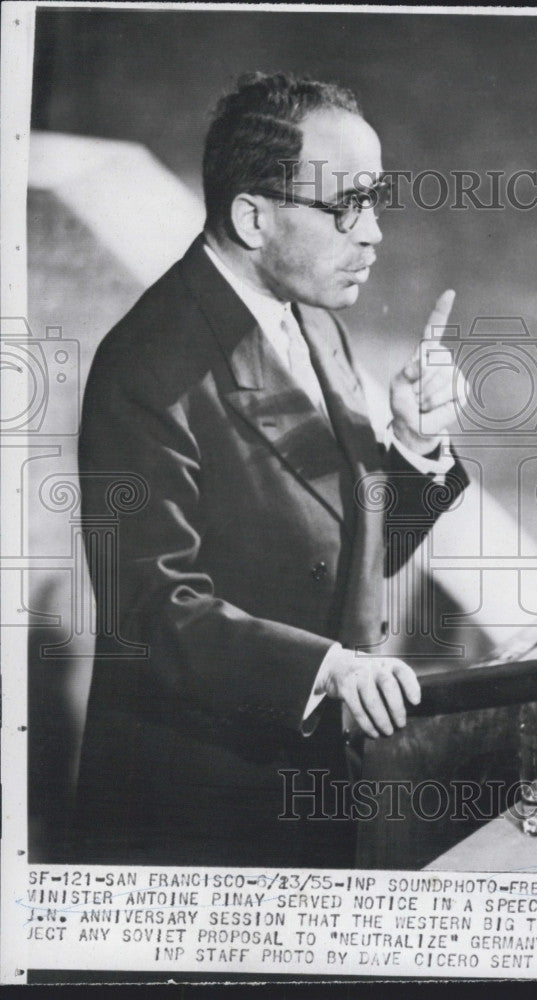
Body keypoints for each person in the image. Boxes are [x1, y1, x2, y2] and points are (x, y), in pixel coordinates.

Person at [70, 72, 467, 867]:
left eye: (376, 199)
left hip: (320, 784)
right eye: (346, 205)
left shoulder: (312, 322)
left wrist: (415, 450)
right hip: (201, 818)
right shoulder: (148, 367)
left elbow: (341, 557)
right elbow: (150, 610)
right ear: (253, 217)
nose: (374, 233)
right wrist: (331, 670)